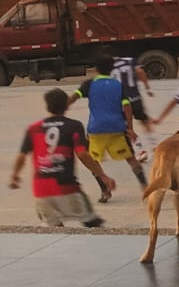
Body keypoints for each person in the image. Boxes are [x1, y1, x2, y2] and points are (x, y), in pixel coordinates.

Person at [9, 89, 112, 227]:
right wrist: (103, 176)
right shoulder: (74, 126)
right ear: (66, 105)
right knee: (93, 225)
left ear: (47, 106)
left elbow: (22, 155)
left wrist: (15, 176)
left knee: (55, 230)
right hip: (67, 187)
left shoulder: (34, 128)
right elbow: (82, 154)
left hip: (41, 190)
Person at [69, 54, 146, 203]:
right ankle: (145, 187)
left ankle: (105, 191)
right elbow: (127, 106)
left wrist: (61, 107)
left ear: (96, 69)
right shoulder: (118, 85)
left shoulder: (89, 84)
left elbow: (74, 97)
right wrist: (130, 128)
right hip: (117, 128)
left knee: (92, 160)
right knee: (131, 159)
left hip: (96, 130)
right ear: (112, 69)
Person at [111, 55, 154, 161]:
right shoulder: (130, 60)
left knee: (127, 126)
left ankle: (139, 149)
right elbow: (140, 72)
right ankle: (154, 144)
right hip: (135, 97)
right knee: (144, 120)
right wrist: (147, 87)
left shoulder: (108, 65)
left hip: (121, 99)